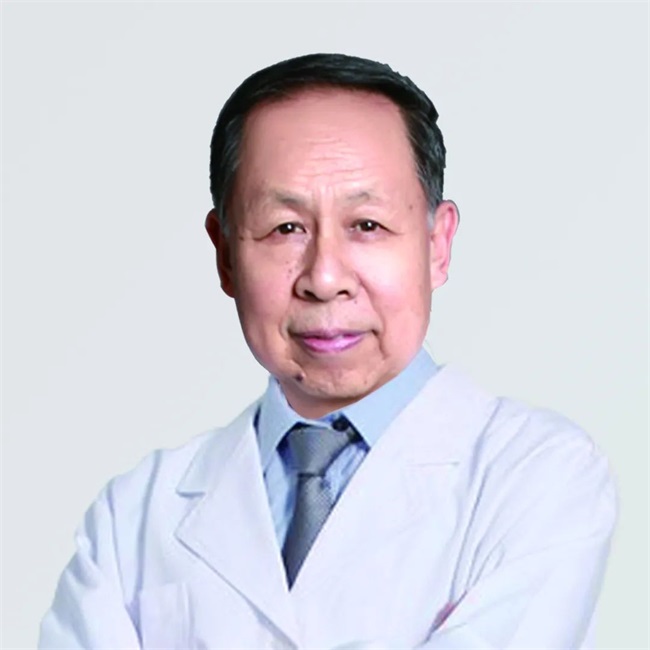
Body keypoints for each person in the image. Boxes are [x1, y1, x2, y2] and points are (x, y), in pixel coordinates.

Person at [39, 53, 617, 650]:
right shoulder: (134, 515)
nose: (324, 277)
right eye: (285, 228)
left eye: (367, 225)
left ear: (437, 245)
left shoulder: (539, 476)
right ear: (226, 254)